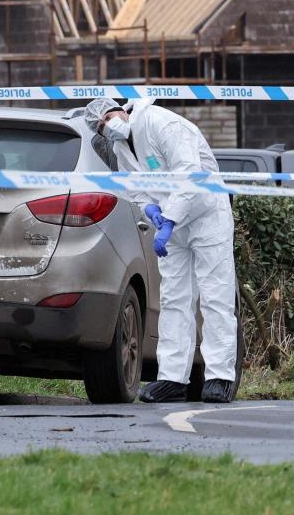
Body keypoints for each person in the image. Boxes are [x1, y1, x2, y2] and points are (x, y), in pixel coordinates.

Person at [83, 97, 237, 403]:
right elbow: (135, 187)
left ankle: (220, 376)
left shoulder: (160, 123)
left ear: (120, 109)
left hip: (208, 215)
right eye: (101, 127)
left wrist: (169, 219)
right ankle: (172, 378)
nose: (108, 127)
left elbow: (191, 174)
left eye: (108, 117)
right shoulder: (121, 148)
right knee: (174, 299)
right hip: (172, 224)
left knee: (215, 295)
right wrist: (151, 211)